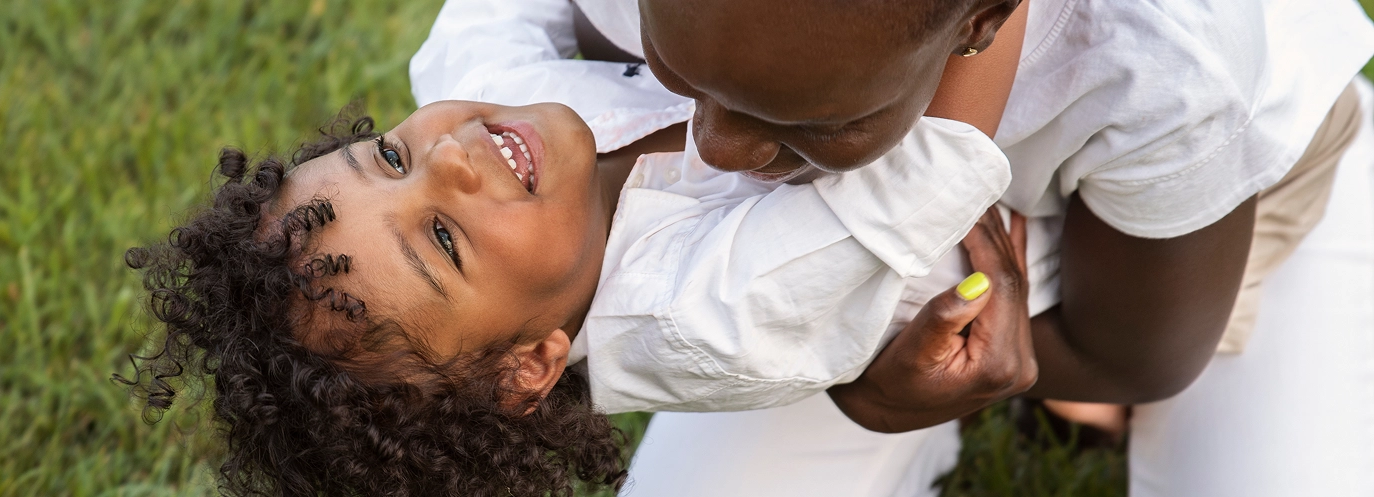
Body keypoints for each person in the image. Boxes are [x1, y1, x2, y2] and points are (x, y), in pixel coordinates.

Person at [412, 0, 1374, 495]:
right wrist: (864, 382)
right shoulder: (732, 289)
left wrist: (884, 376)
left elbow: (1137, 350)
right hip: (889, 252)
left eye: (813, 118)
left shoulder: (1175, 57)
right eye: (678, 68)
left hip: (1210, 221)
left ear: (984, 21)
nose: (716, 148)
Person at [118, 98, 1028, 496]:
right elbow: (946, 132)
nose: (448, 155)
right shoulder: (712, 312)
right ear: (529, 366)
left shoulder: (492, 107)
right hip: (1031, 218)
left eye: (389, 156)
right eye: (443, 238)